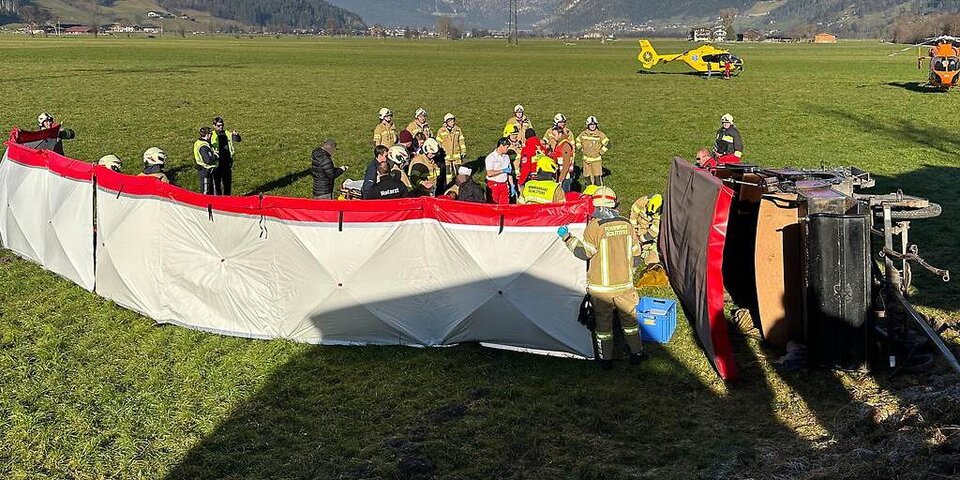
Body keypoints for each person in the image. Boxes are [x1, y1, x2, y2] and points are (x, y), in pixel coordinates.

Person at [559, 186, 648, 369]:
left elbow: (584, 253)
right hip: (625, 286)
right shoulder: (626, 224)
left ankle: (606, 360)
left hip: (601, 289)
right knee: (630, 323)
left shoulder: (594, 226)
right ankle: (636, 354)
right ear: (614, 203)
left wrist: (567, 237)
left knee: (603, 327)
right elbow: (637, 253)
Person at [210, 116, 241, 195]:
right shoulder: (211, 135)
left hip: (227, 162)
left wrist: (236, 135)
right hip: (216, 163)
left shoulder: (226, 133)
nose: (221, 127)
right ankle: (218, 200)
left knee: (227, 184)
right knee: (217, 185)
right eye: (219, 126)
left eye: (222, 125)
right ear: (214, 126)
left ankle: (227, 200)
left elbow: (238, 140)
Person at [576, 116, 610, 187]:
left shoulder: (600, 134)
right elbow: (578, 141)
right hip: (586, 162)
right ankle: (589, 193)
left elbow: (608, 144)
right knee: (587, 178)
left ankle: (598, 193)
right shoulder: (583, 134)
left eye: (594, 125)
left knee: (597, 179)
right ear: (587, 125)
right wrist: (581, 149)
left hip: (596, 161)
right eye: (591, 125)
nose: (592, 126)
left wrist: (601, 152)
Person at [436, 113, 466, 183]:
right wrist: (439, 154)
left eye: (453, 121)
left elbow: (461, 141)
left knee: (459, 172)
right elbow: (439, 143)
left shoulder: (458, 130)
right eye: (450, 121)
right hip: (446, 157)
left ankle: (460, 185)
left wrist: (463, 151)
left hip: (456, 156)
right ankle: (448, 185)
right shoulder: (441, 131)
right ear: (446, 122)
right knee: (448, 173)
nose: (452, 122)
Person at [485, 137, 514, 205]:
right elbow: (489, 173)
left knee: (504, 206)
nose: (507, 149)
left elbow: (509, 172)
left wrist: (512, 184)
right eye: (506, 147)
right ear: (501, 146)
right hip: (494, 185)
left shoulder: (506, 157)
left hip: (504, 185)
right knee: (494, 206)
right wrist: (503, 171)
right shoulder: (490, 158)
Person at [194, 127, 218, 195]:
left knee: (209, 188)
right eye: (210, 134)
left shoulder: (198, 142)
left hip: (203, 169)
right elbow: (208, 160)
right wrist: (216, 156)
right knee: (205, 190)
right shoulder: (204, 146)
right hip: (205, 171)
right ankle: (204, 203)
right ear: (207, 135)